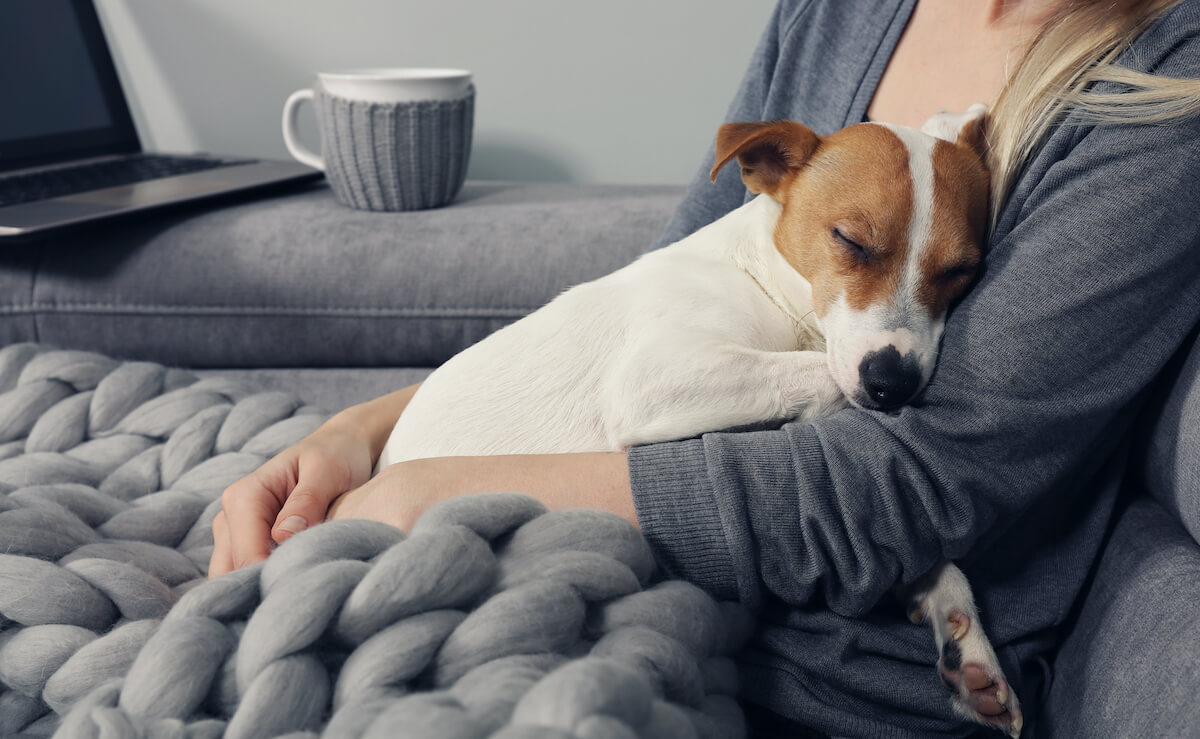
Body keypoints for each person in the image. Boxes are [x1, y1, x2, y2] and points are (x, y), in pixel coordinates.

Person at [210, 0, 1200, 735]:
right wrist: (363, 434)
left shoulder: (1166, 79)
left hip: (811, 675)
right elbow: (654, 299)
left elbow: (911, 482)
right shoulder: (848, 10)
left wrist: (447, 489)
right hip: (567, 571)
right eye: (854, 247)